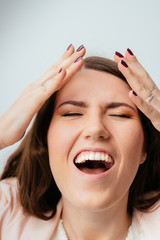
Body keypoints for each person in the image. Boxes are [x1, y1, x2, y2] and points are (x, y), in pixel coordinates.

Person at [0, 44, 160, 240]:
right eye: (72, 113)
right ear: (45, 139)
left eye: (119, 114)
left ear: (145, 146)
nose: (95, 129)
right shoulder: (6, 209)